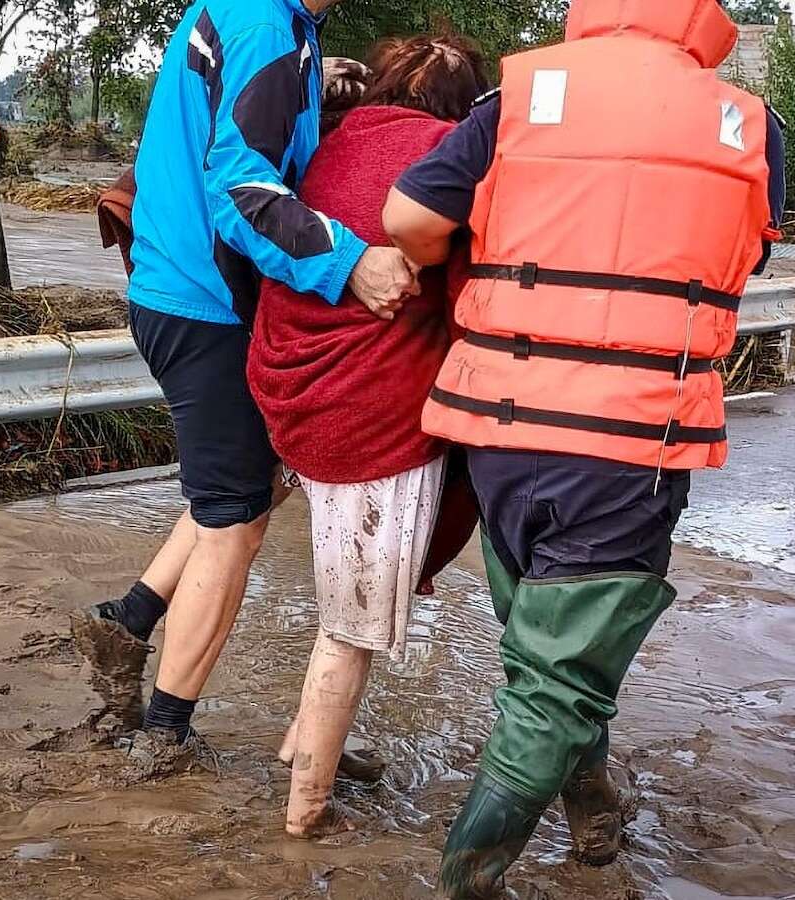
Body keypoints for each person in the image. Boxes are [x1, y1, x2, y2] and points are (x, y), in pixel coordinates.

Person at [381, 0, 785, 894]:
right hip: (634, 437)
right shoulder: (750, 126)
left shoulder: (516, 95)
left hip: (501, 429)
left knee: (545, 647)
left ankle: (591, 802)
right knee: (556, 677)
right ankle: (463, 882)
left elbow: (406, 216)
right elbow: (742, 258)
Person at [74, 0, 419, 763]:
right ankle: (166, 730)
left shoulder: (271, 23)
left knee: (252, 479)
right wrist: (349, 263)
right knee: (236, 518)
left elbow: (233, 115)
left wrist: (311, 84)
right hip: (204, 304)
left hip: (175, 286)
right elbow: (241, 188)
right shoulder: (266, 26)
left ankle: (128, 619)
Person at [244, 33, 491, 838]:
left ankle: (309, 743)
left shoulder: (329, 141)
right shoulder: (448, 162)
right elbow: (468, 305)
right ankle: (306, 811)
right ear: (464, 108)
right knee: (350, 631)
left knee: (336, 602)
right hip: (366, 421)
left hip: (285, 396)